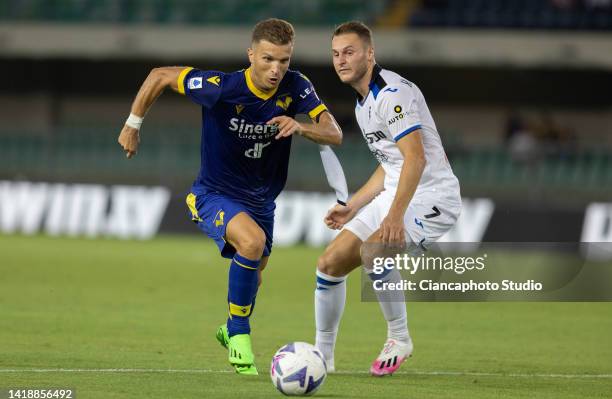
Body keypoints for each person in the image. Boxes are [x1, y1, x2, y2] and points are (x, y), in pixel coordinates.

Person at [118, 18, 342, 375]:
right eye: (268, 59)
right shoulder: (220, 87)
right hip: (214, 193)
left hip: (261, 201)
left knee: (256, 272)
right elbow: (159, 75)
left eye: (284, 61)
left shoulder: (297, 87)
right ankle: (239, 334)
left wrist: (301, 126)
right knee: (251, 245)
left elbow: (334, 132)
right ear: (251, 54)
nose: (276, 69)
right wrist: (133, 124)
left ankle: (228, 326)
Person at [315, 21, 461, 376]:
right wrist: (354, 206)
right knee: (329, 264)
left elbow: (416, 158)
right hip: (397, 191)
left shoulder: (392, 93)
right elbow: (390, 164)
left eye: (349, 52)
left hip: (431, 196)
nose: (341, 61)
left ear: (370, 53)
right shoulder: (363, 102)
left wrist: (393, 218)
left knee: (375, 252)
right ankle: (322, 358)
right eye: (336, 54)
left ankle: (399, 337)